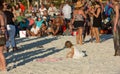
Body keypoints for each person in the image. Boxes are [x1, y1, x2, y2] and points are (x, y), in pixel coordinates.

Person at [0, 0, 7, 71]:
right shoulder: (3, 13)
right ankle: (2, 66)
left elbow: (2, 26)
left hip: (0, 34)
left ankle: (4, 67)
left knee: (0, 52)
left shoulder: (0, 14)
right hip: (2, 33)